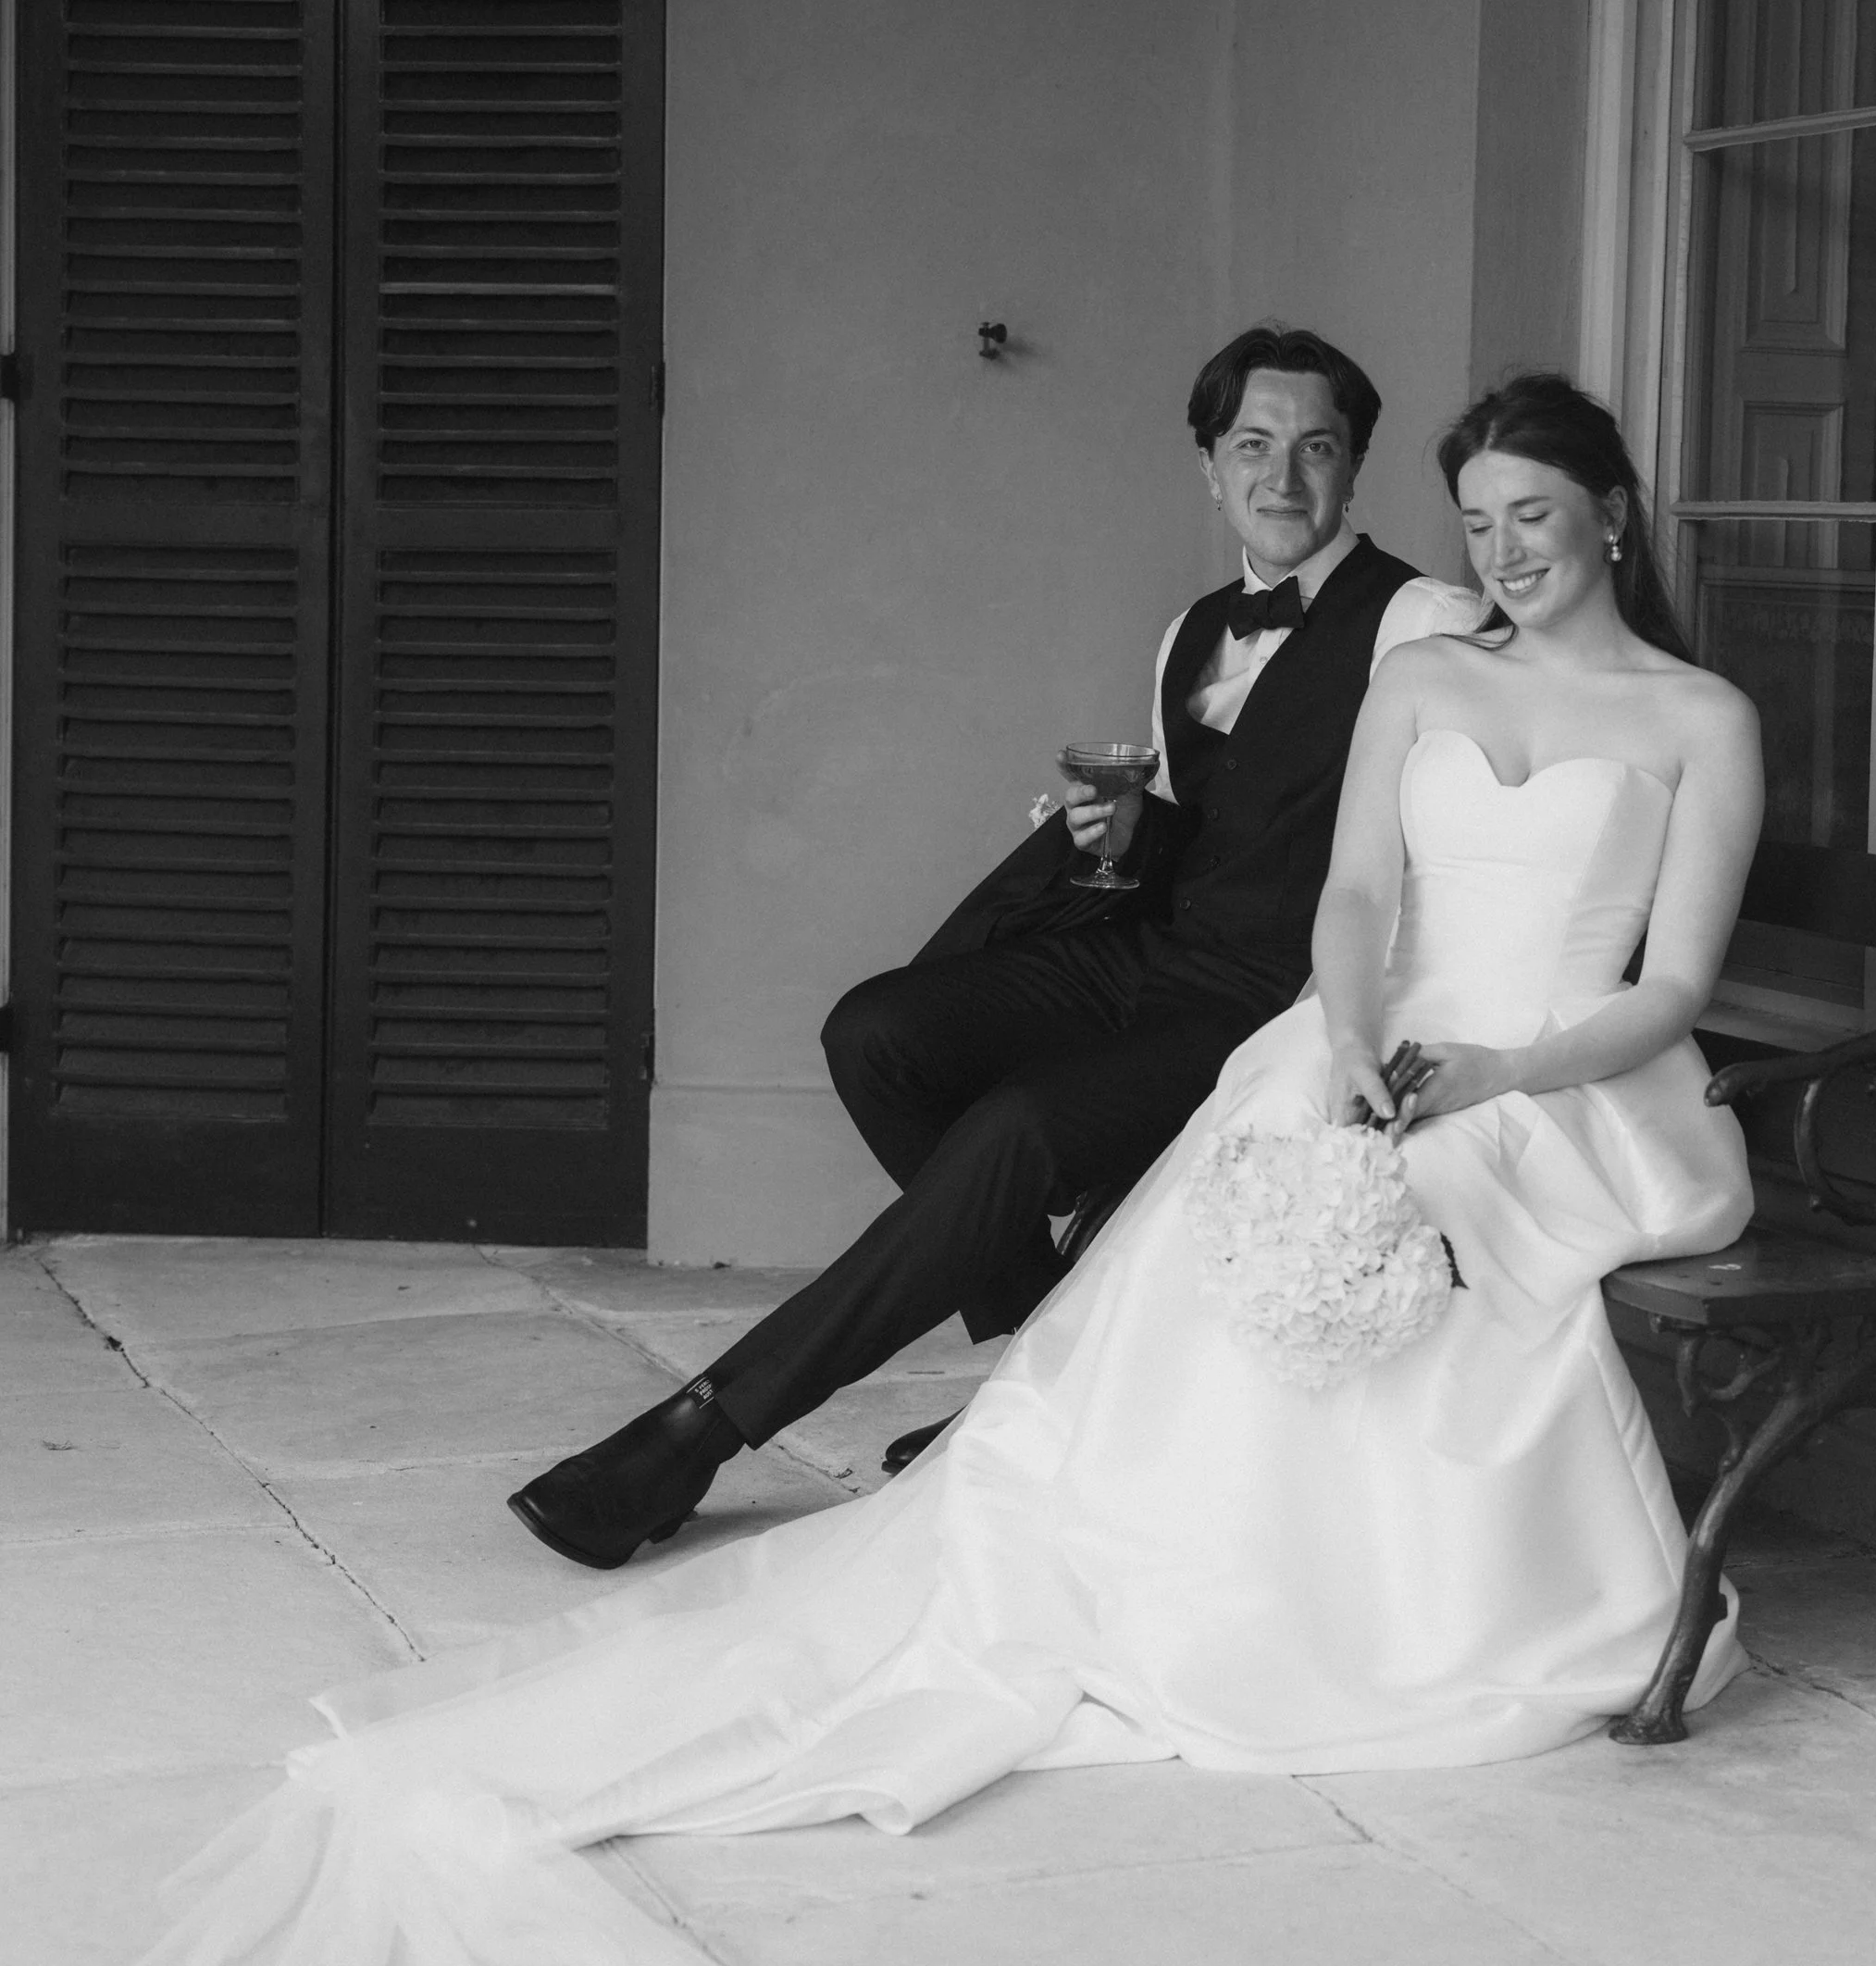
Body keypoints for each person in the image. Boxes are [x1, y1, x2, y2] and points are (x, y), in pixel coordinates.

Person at [79, 372, 1764, 1966]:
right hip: (1337, 1021)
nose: (1501, 554)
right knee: (915, 1046)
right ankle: (986, 1357)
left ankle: (794, 1428)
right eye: (1480, 519)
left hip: (1555, 1068)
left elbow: (1673, 986)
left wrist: (1485, 1067)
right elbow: (1343, 891)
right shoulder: (1395, 661)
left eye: (1534, 521)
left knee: (1104, 1163)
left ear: (1613, 514)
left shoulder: (1659, 706)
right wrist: (1344, 1042)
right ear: (1213, 466)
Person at [506, 323, 1485, 1570]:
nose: (1281, 478)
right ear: (1208, 467)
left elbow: (1452, 838)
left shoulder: (1423, 617)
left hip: (1277, 998)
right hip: (1162, 951)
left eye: (1315, 449)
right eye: (1251, 445)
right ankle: (1037, 1361)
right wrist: (1127, 834)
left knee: (1017, 1127)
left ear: (1356, 468)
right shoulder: (1190, 629)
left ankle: (699, 1429)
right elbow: (1206, 830)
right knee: (878, 1032)